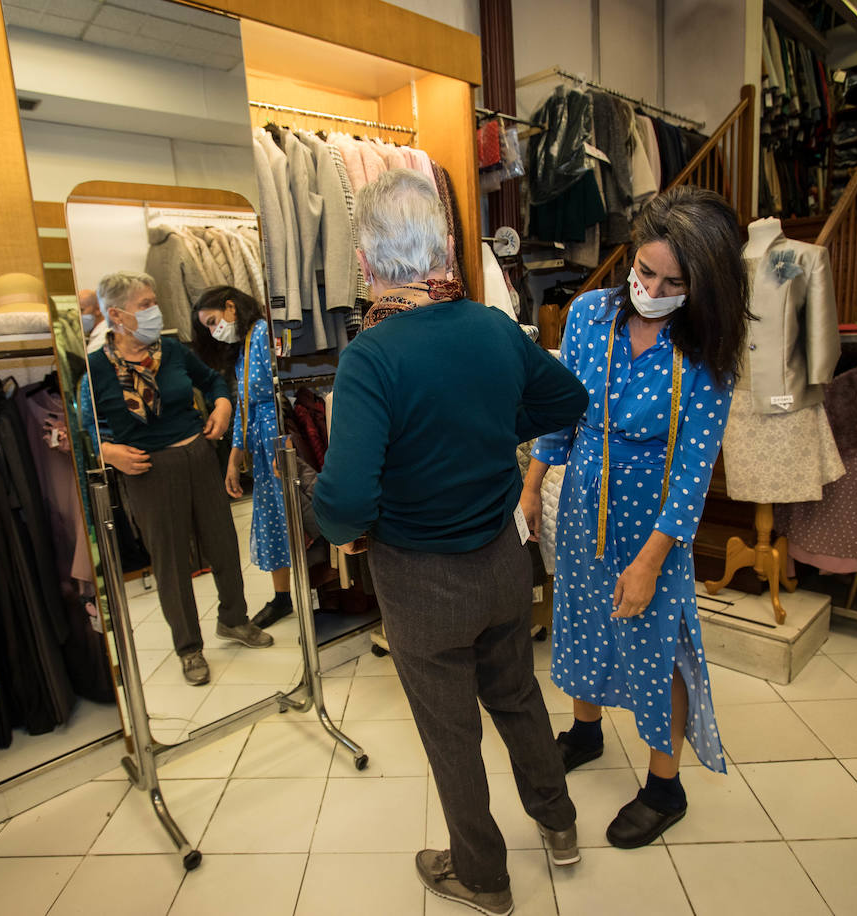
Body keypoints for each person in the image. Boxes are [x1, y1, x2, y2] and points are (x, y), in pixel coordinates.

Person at [314, 169, 589, 916]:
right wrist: (495, 425)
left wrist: (345, 528)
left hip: (421, 576)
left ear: (368, 264)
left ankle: (485, 878)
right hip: (503, 557)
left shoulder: (373, 355)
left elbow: (343, 497)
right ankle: (560, 827)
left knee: (450, 733)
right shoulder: (492, 328)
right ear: (440, 247)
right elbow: (567, 398)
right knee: (519, 698)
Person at [520, 186, 750, 849]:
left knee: (657, 644)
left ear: (701, 285)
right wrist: (534, 485)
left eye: (672, 281)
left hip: (655, 521)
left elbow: (693, 472)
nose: (651, 287)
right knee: (582, 618)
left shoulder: (708, 348)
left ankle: (664, 785)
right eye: (645, 271)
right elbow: (563, 411)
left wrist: (651, 560)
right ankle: (586, 730)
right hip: (584, 498)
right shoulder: (591, 314)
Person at [81, 271, 273, 687]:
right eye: (145, 304)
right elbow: (87, 427)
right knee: (170, 562)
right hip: (149, 471)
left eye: (154, 301)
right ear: (116, 315)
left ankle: (234, 620)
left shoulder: (170, 351)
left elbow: (213, 382)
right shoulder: (95, 369)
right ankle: (189, 648)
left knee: (223, 542)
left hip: (198, 455)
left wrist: (222, 406)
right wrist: (109, 452)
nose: (156, 311)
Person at [193, 286, 294, 629]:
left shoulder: (265, 334)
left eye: (212, 321)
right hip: (263, 448)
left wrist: (280, 445)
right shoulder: (243, 346)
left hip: (280, 443)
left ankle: (312, 593)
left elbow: (280, 391)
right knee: (273, 521)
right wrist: (234, 458)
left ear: (231, 307)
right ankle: (282, 598)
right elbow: (244, 406)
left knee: (294, 517)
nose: (212, 330)